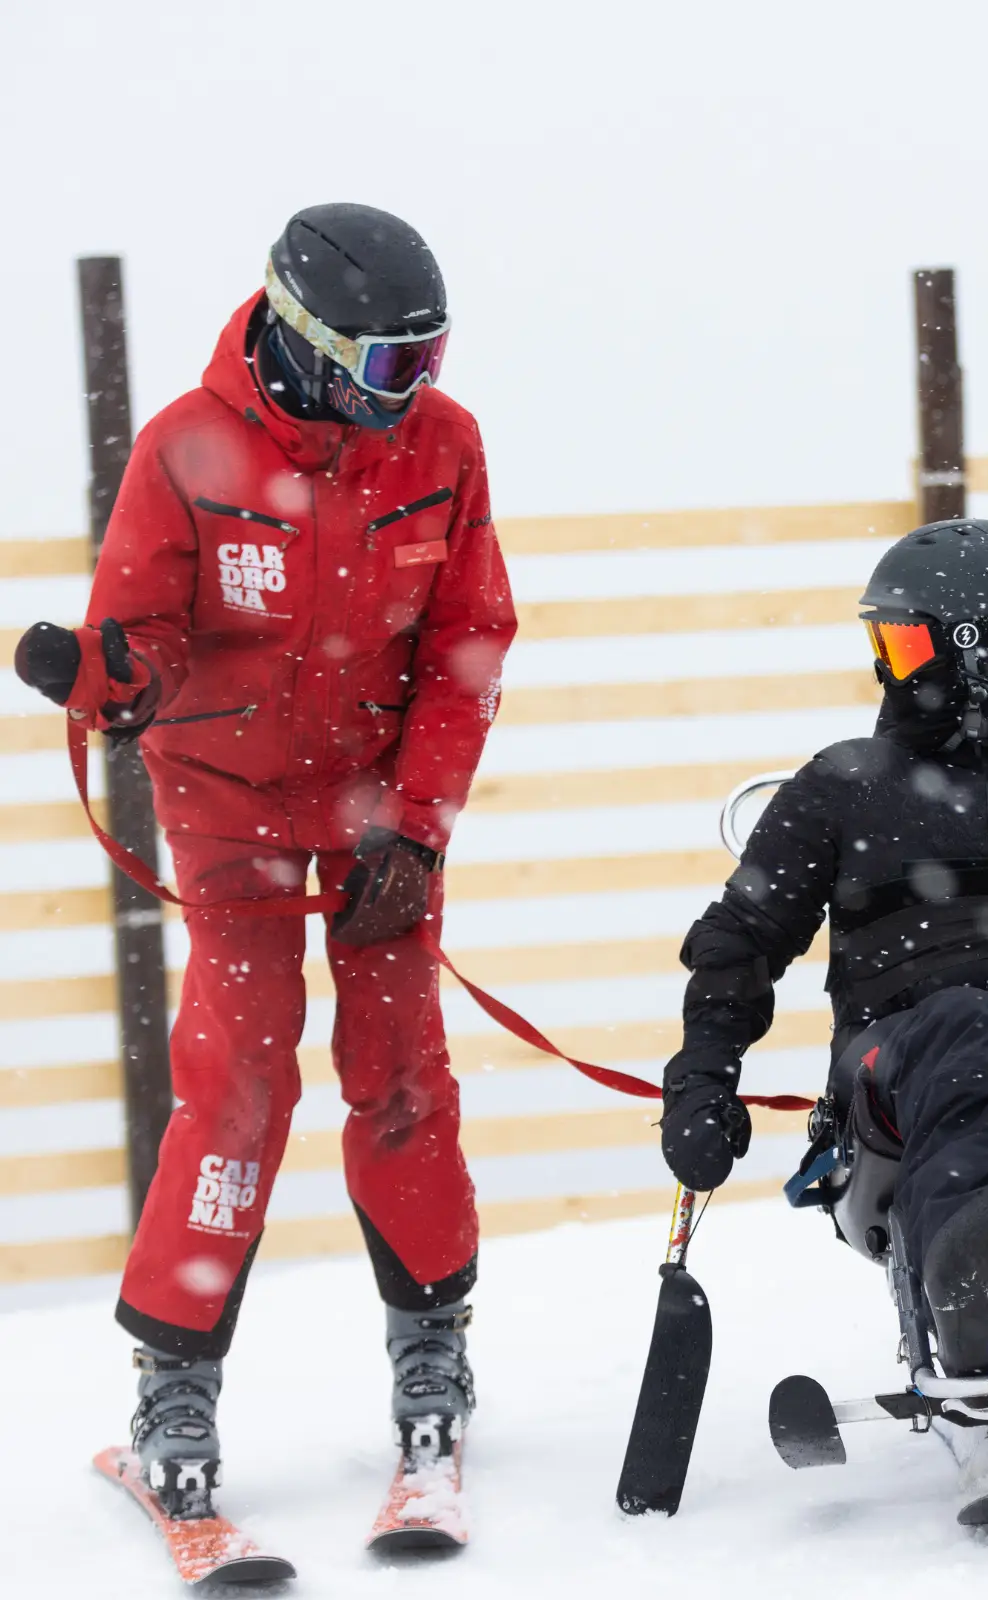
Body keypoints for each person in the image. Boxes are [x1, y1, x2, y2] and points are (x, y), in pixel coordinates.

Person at [14, 204, 515, 1516]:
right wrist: (110, 680)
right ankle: (173, 1385)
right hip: (230, 812)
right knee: (238, 1082)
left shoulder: (442, 446)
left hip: (375, 822)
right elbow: (145, 639)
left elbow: (469, 645)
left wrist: (416, 823)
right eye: (394, 365)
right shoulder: (189, 448)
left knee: (401, 1071)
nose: (418, 393)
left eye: (434, 360)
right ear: (307, 338)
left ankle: (432, 1354)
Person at [656, 519, 988, 1282]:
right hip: (899, 1050)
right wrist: (702, 1078)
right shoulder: (844, 785)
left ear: (984, 650)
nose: (887, 666)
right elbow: (743, 936)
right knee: (967, 1030)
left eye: (904, 643)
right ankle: (976, 1285)